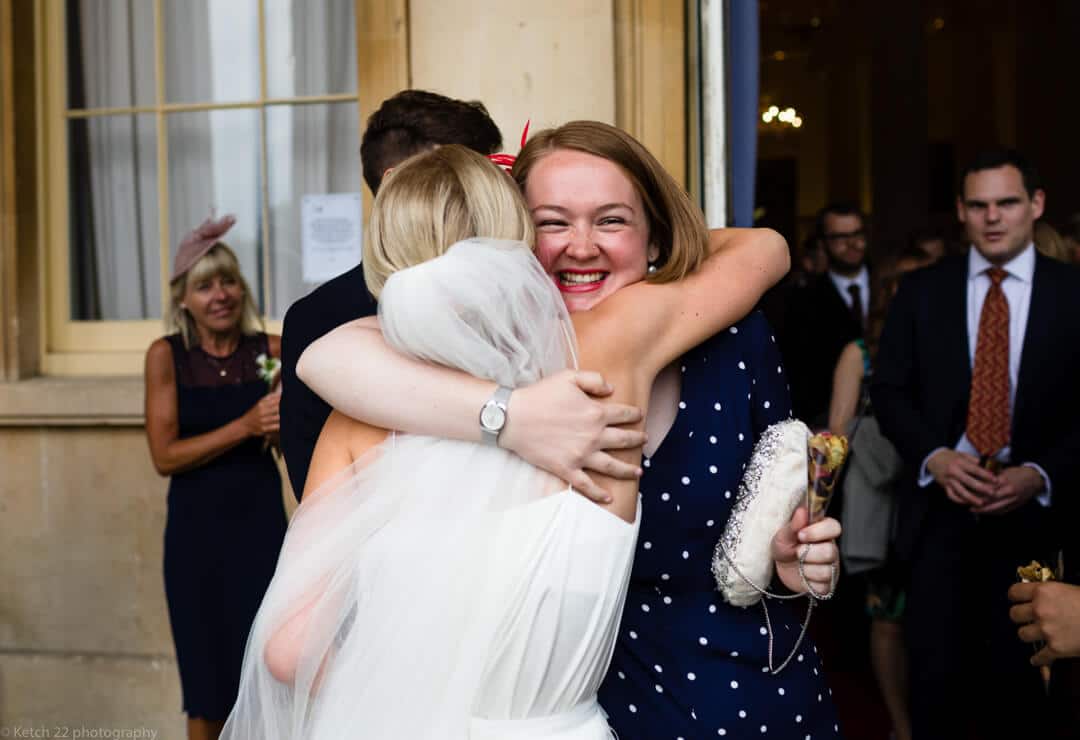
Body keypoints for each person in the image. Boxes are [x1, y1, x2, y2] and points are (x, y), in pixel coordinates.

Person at [298, 121, 844, 739]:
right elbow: (327, 355)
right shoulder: (461, 371)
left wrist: (789, 557)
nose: (581, 246)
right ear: (507, 240)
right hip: (604, 714)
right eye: (552, 222)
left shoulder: (733, 340)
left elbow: (776, 496)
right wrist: (507, 413)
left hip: (747, 700)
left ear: (655, 234)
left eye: (611, 220)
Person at [872, 148, 1080, 738]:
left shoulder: (1073, 292)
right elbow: (888, 391)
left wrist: (1039, 472)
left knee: (1025, 693)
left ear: (1036, 206)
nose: (993, 218)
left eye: (1008, 203)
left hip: (1039, 521)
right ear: (961, 212)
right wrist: (935, 458)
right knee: (936, 685)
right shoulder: (920, 291)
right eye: (979, 205)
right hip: (940, 516)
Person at [278, 89, 505, 499]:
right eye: (464, 179)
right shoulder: (320, 317)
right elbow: (314, 493)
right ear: (398, 184)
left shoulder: (515, 294)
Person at [143, 215, 288, 740]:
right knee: (206, 685)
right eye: (204, 285)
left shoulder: (270, 352)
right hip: (196, 536)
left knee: (268, 673)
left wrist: (281, 429)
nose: (220, 295)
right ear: (183, 298)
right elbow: (165, 456)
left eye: (227, 281)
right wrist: (246, 425)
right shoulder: (167, 357)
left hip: (260, 528)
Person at [827, 246, 933, 740]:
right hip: (880, 505)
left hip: (938, 499)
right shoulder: (861, 353)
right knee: (888, 616)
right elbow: (836, 435)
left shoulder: (952, 347)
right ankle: (900, 724)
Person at [781, 202, 872, 426]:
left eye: (857, 234)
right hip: (826, 424)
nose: (852, 244)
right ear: (823, 243)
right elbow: (800, 373)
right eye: (840, 237)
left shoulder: (892, 287)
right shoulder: (802, 301)